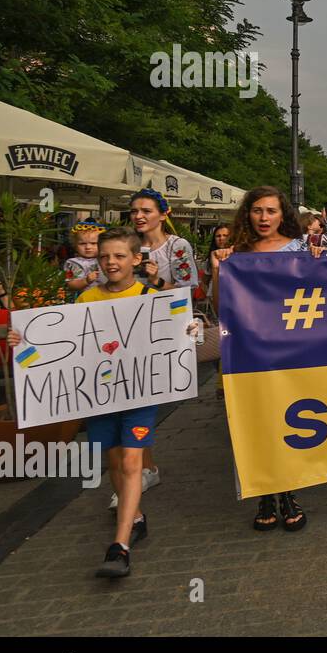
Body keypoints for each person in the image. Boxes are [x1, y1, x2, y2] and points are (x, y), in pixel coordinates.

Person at [9, 228, 195, 578]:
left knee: (131, 460)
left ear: (136, 259)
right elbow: (62, 346)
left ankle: (120, 545)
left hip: (141, 396)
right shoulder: (86, 300)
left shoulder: (149, 296)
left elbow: (176, 335)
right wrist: (24, 340)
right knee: (113, 462)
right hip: (99, 398)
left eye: (119, 256)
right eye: (105, 256)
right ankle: (136, 518)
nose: (111, 262)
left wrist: (190, 331)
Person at [211, 185, 320, 531]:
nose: (263, 218)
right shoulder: (237, 253)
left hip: (290, 348)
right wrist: (218, 270)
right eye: (257, 211)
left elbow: (323, 292)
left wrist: (321, 263)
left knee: (287, 419)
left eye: (271, 211)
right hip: (250, 348)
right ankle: (263, 492)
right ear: (248, 214)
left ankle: (287, 490)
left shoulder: (300, 248)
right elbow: (220, 308)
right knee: (256, 421)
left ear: (282, 214)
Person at [126, 189, 198, 509]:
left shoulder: (177, 247)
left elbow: (186, 291)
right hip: (127, 332)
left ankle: (142, 469)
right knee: (133, 403)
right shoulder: (127, 247)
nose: (139, 216)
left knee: (142, 403)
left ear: (163, 214)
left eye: (146, 210)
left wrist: (156, 282)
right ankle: (140, 470)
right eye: (134, 211)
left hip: (162, 333)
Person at [62, 221, 105, 297]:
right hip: (84, 300)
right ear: (75, 245)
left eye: (93, 243)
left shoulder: (105, 259)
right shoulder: (72, 263)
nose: (88, 247)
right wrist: (86, 281)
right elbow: (70, 284)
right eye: (82, 244)